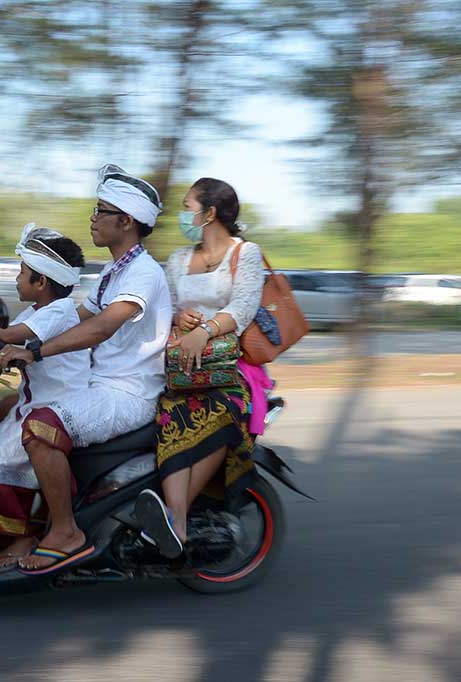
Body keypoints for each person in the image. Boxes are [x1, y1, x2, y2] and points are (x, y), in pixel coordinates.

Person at [0, 164, 172, 575]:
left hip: (128, 393)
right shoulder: (114, 271)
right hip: (97, 384)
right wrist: (8, 336)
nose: (92, 218)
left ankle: (65, 531)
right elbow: (74, 315)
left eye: (100, 211)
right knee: (9, 410)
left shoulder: (143, 273)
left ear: (125, 221)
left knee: (40, 426)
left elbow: (102, 326)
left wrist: (36, 351)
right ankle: (27, 524)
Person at [133, 177, 266, 559]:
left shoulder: (245, 253)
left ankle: (174, 518)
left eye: (188, 206)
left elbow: (242, 308)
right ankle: (175, 521)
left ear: (210, 213)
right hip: (181, 371)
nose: (182, 214)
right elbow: (167, 308)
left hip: (226, 370)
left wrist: (204, 331)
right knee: (169, 414)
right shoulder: (176, 260)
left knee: (222, 413)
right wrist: (180, 320)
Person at [0, 225, 91, 571]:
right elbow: (8, 337)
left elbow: (8, 334)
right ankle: (25, 522)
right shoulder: (39, 312)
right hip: (37, 402)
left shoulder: (58, 312)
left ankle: (21, 535)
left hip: (57, 407)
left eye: (22, 273)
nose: (16, 278)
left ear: (41, 282)